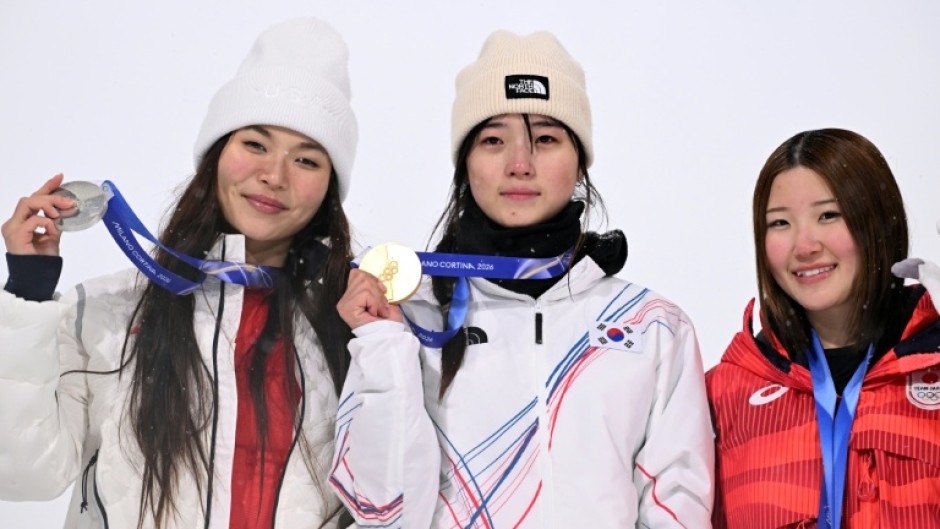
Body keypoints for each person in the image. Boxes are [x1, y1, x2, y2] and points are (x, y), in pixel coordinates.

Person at [329, 29, 714, 528]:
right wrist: (382, 345)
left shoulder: (651, 327)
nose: (520, 164)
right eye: (493, 140)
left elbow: (677, 510)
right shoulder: (412, 318)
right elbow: (382, 512)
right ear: (465, 164)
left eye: (547, 139)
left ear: (580, 162)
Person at [0, 17, 358, 529]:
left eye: (306, 160)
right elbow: (19, 475)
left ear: (330, 187)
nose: (274, 176)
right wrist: (28, 295)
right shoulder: (111, 313)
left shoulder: (350, 335)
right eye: (255, 145)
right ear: (216, 156)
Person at [706, 128, 940, 528]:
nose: (804, 245)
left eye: (828, 215)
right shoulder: (723, 394)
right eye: (779, 223)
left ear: (879, 222)